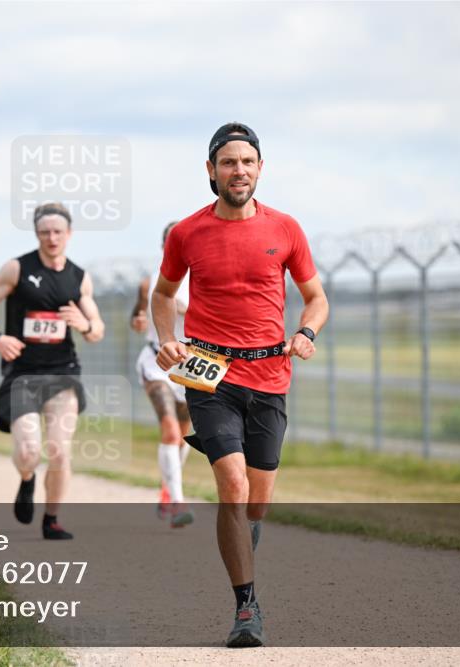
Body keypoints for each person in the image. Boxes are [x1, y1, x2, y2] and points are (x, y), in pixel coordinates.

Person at [153, 123, 328, 648]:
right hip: (210, 376)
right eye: (228, 162)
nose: (239, 171)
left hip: (270, 376)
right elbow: (163, 295)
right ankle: (246, 607)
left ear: (260, 169)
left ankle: (241, 550)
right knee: (231, 483)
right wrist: (167, 340)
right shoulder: (187, 233)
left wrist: (305, 331)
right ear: (211, 170)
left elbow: (316, 297)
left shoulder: (286, 229)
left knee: (256, 503)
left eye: (248, 162)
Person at [0, 202, 105, 540]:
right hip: (23, 375)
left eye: (57, 231)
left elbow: (97, 331)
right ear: (37, 234)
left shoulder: (79, 277)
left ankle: (52, 519)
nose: (51, 237)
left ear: (69, 234)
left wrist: (85, 324)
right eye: (45, 232)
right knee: (30, 451)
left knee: (59, 450)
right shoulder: (17, 269)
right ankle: (27, 479)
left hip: (63, 374)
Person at [130, 222, 193, 528]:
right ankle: (178, 502)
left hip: (193, 365)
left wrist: (188, 311)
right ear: (163, 247)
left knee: (183, 436)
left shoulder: (205, 277)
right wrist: (140, 320)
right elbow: (138, 314)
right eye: (171, 242)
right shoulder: (151, 281)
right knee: (169, 430)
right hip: (158, 360)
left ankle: (168, 489)